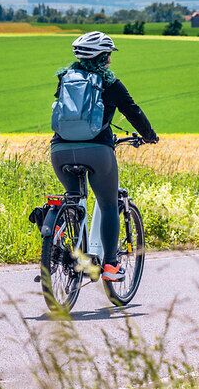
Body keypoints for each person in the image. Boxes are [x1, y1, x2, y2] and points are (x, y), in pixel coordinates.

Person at [50, 31, 158, 281]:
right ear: (103, 57)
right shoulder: (110, 83)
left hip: (60, 151)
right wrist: (150, 135)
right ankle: (110, 265)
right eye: (108, 55)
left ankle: (57, 239)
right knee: (109, 203)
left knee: (74, 199)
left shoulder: (65, 78)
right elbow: (133, 111)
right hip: (98, 150)